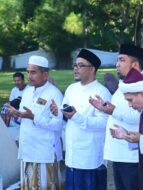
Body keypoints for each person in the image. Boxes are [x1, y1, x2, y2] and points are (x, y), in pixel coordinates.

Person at [89, 44, 143, 190]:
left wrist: (113, 111)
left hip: (132, 157)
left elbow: (140, 116)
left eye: (122, 60)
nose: (117, 64)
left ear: (135, 64)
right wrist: (105, 108)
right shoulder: (123, 86)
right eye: (117, 60)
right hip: (118, 155)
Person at [7, 55, 64, 189]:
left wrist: (34, 117)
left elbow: (58, 124)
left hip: (45, 153)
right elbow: (23, 116)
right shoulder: (27, 92)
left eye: (33, 72)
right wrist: (16, 115)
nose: (29, 76)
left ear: (45, 75)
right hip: (27, 151)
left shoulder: (54, 94)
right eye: (28, 72)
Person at [61, 49, 111, 190]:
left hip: (90, 158)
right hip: (71, 156)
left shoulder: (101, 92)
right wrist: (59, 112)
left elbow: (105, 122)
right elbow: (65, 112)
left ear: (92, 69)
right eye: (75, 65)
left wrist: (77, 117)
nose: (76, 69)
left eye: (81, 65)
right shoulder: (71, 89)